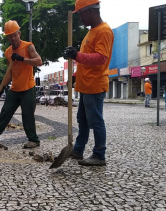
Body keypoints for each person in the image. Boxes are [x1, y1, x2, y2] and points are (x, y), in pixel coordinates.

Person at [63, 0, 114, 166]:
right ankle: (78, 150)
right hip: (85, 86)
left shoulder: (104, 31)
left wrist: (76, 55)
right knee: (83, 121)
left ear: (90, 11)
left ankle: (99, 154)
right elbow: (86, 60)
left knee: (96, 121)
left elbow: (101, 58)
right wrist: (75, 75)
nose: (80, 19)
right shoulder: (91, 32)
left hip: (94, 85)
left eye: (81, 14)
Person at [0, 20, 43, 148]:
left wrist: (22, 59)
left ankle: (34, 140)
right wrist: (1, 88)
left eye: (15, 34)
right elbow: (10, 72)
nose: (13, 38)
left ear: (19, 33)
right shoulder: (8, 52)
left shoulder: (28, 46)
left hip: (28, 87)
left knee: (27, 115)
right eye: (10, 35)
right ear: (7, 37)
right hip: (14, 89)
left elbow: (39, 61)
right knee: (5, 112)